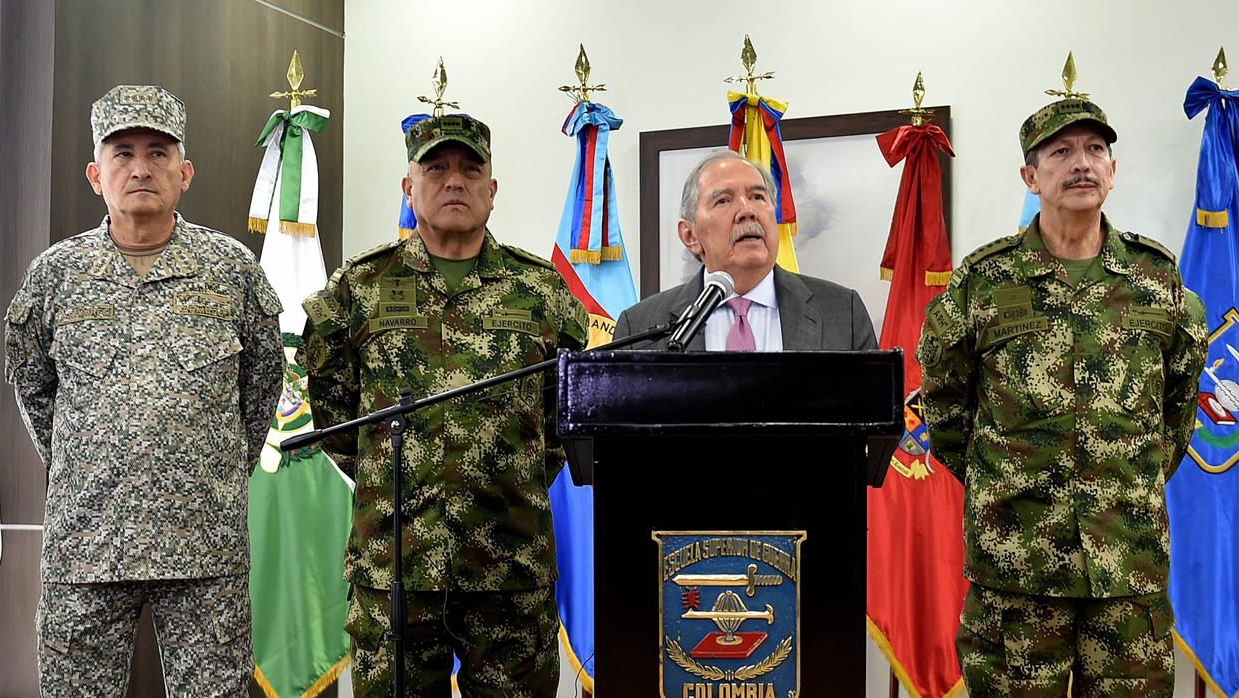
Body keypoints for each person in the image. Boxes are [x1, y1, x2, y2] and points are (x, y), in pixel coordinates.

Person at [917, 96, 1208, 696]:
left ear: (1113, 169)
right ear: (1031, 176)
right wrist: (1005, 487)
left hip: (1128, 569)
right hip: (1016, 571)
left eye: (1095, 150)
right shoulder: (984, 282)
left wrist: (1128, 481)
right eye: (1061, 152)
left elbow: (1178, 406)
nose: (1082, 163)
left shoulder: (1157, 279)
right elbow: (944, 408)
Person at [4, 84, 284, 695]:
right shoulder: (56, 276)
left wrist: (206, 468)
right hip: (87, 540)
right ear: (94, 175)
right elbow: (31, 384)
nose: (140, 168)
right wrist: (87, 463)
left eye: (158, 153)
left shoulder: (232, 271)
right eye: (122, 152)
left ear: (185, 173)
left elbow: (261, 386)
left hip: (204, 543)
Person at [299, 113, 588, 697]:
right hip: (396, 568)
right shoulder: (359, 288)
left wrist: (509, 476)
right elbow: (337, 416)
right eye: (436, 168)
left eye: (469, 169)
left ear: (492, 190)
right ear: (409, 188)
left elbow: (563, 422)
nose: (454, 181)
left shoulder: (543, 292)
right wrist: (392, 476)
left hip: (510, 565)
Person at [614, 149, 877, 351]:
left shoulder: (843, 312)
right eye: (723, 200)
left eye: (758, 197)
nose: (747, 211)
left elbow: (874, 418)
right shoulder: (638, 327)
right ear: (690, 235)